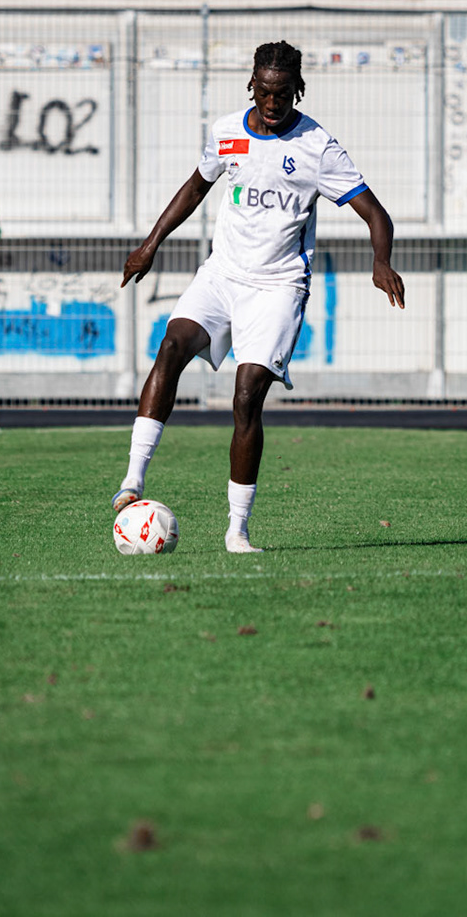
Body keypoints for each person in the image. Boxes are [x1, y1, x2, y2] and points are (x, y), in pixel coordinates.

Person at [113, 41, 406, 552]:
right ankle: (133, 478)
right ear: (252, 84)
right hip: (222, 274)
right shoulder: (227, 132)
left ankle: (237, 529)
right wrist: (150, 244)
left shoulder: (318, 147)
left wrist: (381, 260)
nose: (272, 103)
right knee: (172, 346)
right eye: (265, 92)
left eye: (283, 93)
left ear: (298, 89)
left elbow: (376, 213)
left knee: (247, 395)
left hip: (277, 286)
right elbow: (195, 187)